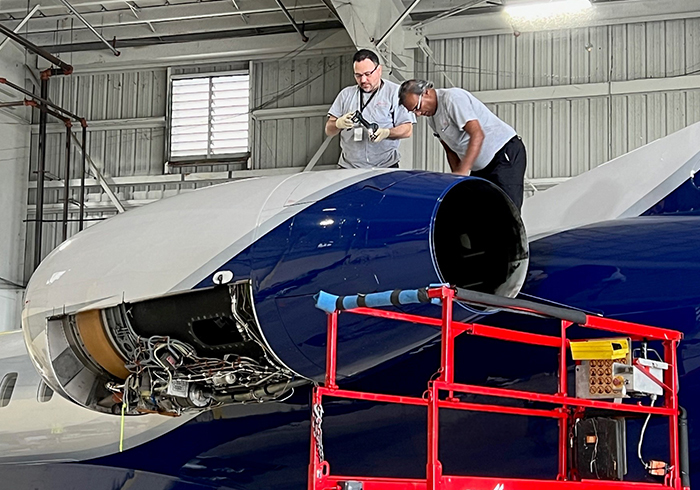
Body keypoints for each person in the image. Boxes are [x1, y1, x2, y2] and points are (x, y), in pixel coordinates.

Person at [398, 79, 527, 210]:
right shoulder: (432, 120)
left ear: (426, 92)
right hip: (480, 168)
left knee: (507, 210)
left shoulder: (452, 99)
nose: (418, 114)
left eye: (417, 107)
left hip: (503, 154)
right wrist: (457, 177)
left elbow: (477, 134)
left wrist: (463, 170)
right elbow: (450, 150)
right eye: (413, 112)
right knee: (477, 210)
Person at [325, 49, 415, 169]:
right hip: (349, 168)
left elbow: (407, 129)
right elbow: (329, 130)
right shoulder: (345, 95)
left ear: (379, 70)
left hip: (385, 166)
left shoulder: (395, 93)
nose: (363, 80)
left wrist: (386, 133)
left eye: (368, 74)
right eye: (358, 75)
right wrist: (338, 123)